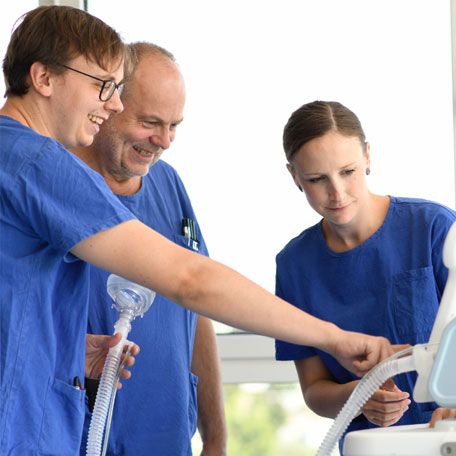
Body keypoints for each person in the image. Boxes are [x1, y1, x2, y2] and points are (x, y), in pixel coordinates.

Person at [0, 6, 393, 454]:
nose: (111, 102)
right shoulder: (39, 164)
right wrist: (334, 338)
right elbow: (191, 280)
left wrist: (65, 351)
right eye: (101, 86)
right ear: (44, 79)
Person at [274, 100, 456, 452]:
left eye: (348, 171)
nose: (337, 193)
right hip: (371, 445)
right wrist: (358, 397)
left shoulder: (433, 228)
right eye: (316, 179)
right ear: (294, 176)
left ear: (368, 156)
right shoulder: (295, 265)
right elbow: (314, 390)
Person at [73, 42, 226, 455]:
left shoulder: (168, 184)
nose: (164, 141)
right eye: (150, 122)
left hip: (168, 438)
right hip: (83, 437)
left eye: (174, 125)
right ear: (109, 102)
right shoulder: (60, 187)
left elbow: (197, 311)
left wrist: (215, 439)